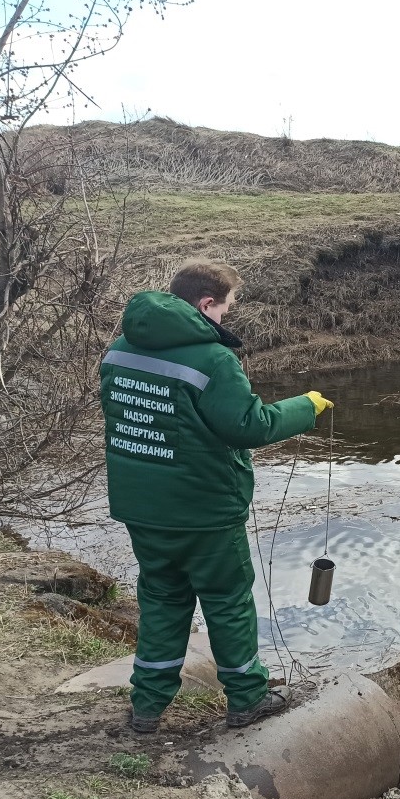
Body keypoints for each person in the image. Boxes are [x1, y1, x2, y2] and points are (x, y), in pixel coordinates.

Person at [100, 259, 334, 733]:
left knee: (162, 600)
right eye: (225, 308)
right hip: (204, 510)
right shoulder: (212, 359)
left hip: (142, 508)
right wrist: (305, 407)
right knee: (227, 601)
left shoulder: (120, 351)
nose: (226, 316)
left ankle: (147, 708)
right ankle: (247, 698)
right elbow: (248, 426)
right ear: (207, 303)